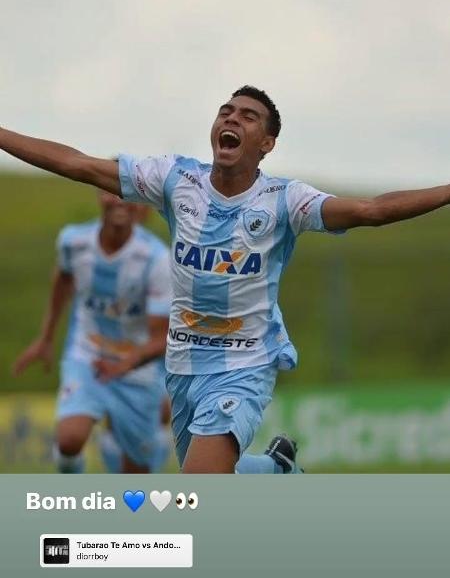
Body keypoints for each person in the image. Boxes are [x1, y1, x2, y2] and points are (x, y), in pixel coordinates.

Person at [3, 84, 449, 474]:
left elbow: (370, 211)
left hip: (245, 364)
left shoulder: (284, 201)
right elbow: (76, 164)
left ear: (267, 143)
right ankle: (277, 469)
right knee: (214, 480)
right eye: (226, 112)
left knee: (197, 489)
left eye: (248, 116)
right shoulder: (176, 180)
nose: (232, 118)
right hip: (182, 364)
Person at [13, 191, 172, 473]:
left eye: (128, 194)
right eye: (111, 191)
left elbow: (161, 337)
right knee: (69, 439)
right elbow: (62, 279)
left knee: (136, 480)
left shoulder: (157, 259)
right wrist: (46, 337)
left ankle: (136, 446)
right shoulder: (73, 241)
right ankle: (76, 494)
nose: (119, 200)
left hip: (136, 367)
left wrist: (124, 364)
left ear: (140, 205)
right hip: (87, 355)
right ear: (99, 195)